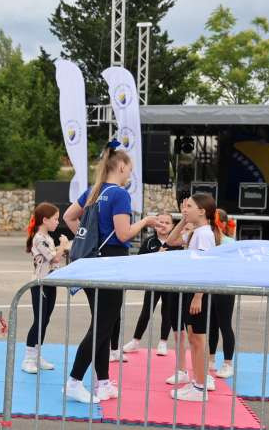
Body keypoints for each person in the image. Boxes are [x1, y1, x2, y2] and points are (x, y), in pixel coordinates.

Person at [61, 142, 155, 404]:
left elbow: (69, 217)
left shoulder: (93, 191)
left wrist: (85, 237)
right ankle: (74, 381)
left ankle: (103, 382)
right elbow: (124, 233)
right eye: (129, 170)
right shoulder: (119, 194)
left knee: (103, 323)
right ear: (122, 166)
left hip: (91, 262)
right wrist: (145, 221)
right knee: (103, 326)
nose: (129, 175)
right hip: (111, 263)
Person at [164, 193, 221, 402]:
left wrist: (198, 296)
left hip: (199, 293)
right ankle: (197, 382)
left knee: (198, 340)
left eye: (189, 206)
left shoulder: (205, 234)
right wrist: (183, 220)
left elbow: (207, 267)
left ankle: (199, 386)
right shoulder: (196, 231)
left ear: (202, 211)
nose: (185, 209)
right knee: (193, 339)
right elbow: (171, 241)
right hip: (193, 290)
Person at [119, 215, 176, 357]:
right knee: (146, 310)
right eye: (160, 222)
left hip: (171, 283)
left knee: (167, 312)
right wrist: (157, 256)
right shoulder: (149, 241)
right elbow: (140, 261)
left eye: (167, 222)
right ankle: (135, 341)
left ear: (173, 226)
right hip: (153, 282)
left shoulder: (177, 242)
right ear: (155, 225)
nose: (163, 225)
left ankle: (163, 342)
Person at [22, 202, 69, 373]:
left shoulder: (48, 238)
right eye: (55, 219)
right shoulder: (39, 238)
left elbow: (53, 256)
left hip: (50, 284)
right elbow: (54, 259)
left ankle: (36, 354)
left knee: (46, 320)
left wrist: (61, 248)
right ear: (45, 220)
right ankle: (27, 358)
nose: (58, 222)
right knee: (39, 320)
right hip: (40, 285)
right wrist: (63, 245)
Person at [208, 209, 237, 379]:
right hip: (210, 288)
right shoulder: (207, 238)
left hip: (225, 288)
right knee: (211, 324)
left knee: (224, 324)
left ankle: (228, 363)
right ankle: (211, 359)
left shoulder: (229, 242)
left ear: (223, 224)